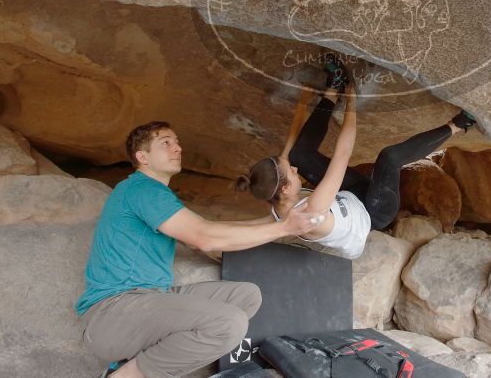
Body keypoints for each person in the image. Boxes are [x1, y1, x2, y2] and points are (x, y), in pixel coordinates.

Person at [75, 121, 325, 378]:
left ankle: (135, 360)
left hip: (152, 297)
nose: (177, 148)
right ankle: (126, 374)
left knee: (246, 295)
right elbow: (205, 238)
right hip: (116, 312)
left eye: (176, 141)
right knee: (229, 324)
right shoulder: (143, 189)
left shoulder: (156, 195)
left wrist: (277, 220)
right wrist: (285, 229)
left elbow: (209, 228)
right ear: (142, 157)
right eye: (166, 143)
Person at [237, 59, 477, 259]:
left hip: (350, 196)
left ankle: (334, 87)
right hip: (374, 212)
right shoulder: (312, 211)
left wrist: (303, 105)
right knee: (389, 158)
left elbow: (292, 149)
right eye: (291, 171)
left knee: (300, 154)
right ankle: (458, 126)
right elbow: (343, 152)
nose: (295, 168)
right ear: (287, 188)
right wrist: (352, 102)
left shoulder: (278, 201)